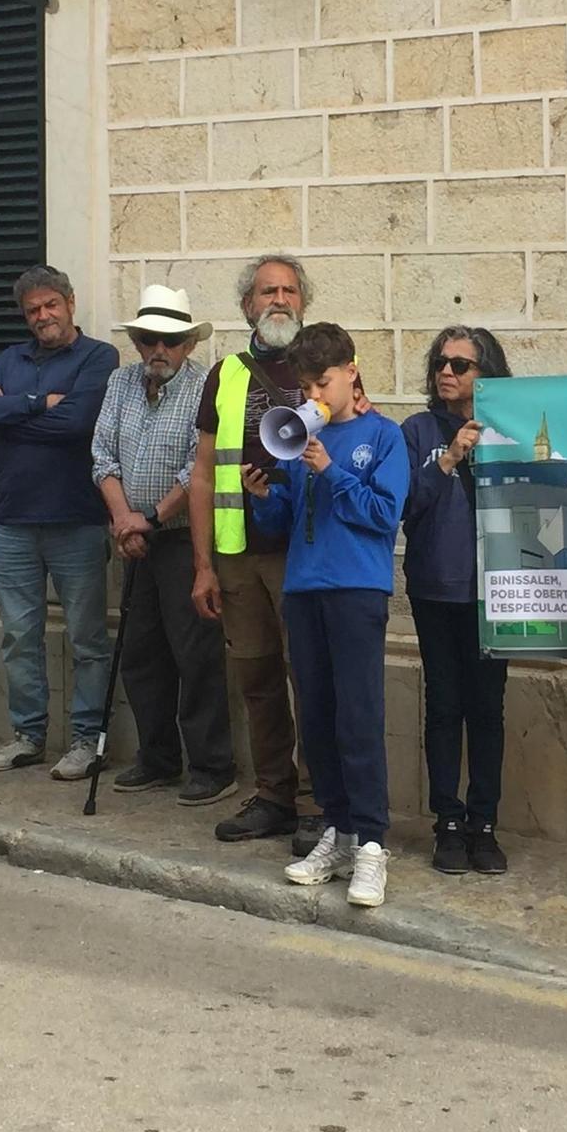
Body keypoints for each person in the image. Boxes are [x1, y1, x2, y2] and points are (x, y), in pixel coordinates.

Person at [242, 323, 409, 909]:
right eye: (306, 384)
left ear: (351, 372)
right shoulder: (298, 440)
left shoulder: (384, 437)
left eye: (324, 382)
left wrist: (329, 469)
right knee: (316, 716)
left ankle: (371, 843)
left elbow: (384, 515)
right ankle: (336, 831)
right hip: (304, 587)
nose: (314, 394)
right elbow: (284, 523)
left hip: (357, 589)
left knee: (358, 717)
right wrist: (266, 496)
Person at [0, 266, 120, 781]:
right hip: (12, 519)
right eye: (32, 310)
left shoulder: (99, 357)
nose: (43, 316)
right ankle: (28, 735)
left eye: (51, 304)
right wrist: (36, 404)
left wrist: (10, 414)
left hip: (77, 518)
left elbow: (79, 421)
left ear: (71, 303)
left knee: (87, 638)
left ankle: (86, 739)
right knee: (18, 635)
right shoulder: (12, 358)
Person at [191, 253, 321, 851]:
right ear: (247, 304)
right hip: (239, 553)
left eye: (289, 291)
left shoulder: (329, 367)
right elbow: (200, 473)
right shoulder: (226, 374)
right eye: (267, 291)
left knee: (313, 676)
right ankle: (274, 795)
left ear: (304, 302)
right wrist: (202, 565)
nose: (279, 300)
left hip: (306, 552)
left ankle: (321, 801)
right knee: (259, 678)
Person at [90, 284, 235, 807]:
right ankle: (157, 757)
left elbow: (198, 471)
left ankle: (212, 765)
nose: (160, 350)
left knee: (195, 654)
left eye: (171, 341)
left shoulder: (205, 388)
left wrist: (148, 518)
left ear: (189, 345)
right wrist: (124, 519)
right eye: (150, 339)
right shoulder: (121, 381)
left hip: (180, 539)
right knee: (140, 652)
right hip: (132, 539)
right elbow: (102, 452)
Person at [401, 326, 514, 876]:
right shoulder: (418, 431)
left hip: (496, 593)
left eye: (461, 365)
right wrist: (447, 460)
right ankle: (446, 821)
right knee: (444, 706)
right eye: (441, 363)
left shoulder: (508, 429)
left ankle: (484, 823)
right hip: (435, 588)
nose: (447, 372)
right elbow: (405, 505)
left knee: (486, 711)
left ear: (485, 374)